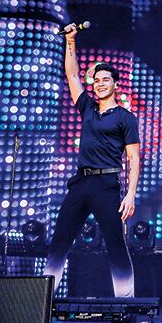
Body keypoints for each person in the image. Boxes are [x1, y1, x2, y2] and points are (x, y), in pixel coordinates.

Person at [43, 23, 140, 297]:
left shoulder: (125, 117)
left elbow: (134, 157)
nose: (100, 84)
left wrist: (130, 194)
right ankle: (44, 298)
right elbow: (72, 75)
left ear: (115, 84)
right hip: (81, 182)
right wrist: (70, 41)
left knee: (115, 243)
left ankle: (125, 302)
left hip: (107, 183)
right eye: (96, 80)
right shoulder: (87, 106)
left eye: (105, 80)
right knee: (60, 240)